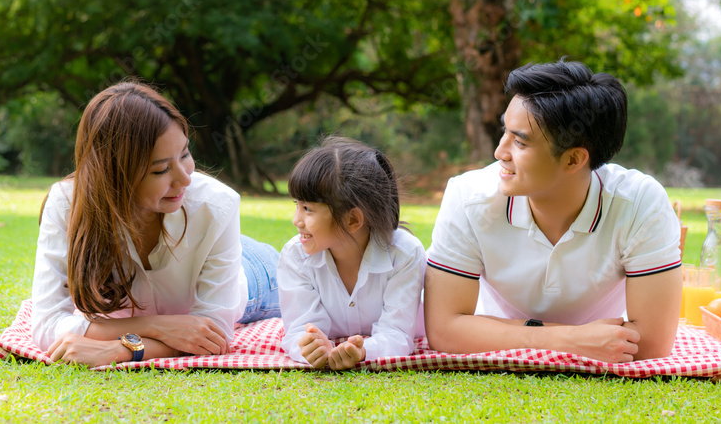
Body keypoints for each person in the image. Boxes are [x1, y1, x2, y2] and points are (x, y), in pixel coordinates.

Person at [424, 60, 682, 363]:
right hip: (584, 343)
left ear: (573, 160)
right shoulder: (468, 198)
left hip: (498, 339)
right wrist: (569, 339)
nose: (499, 152)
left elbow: (651, 343)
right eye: (504, 131)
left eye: (519, 141)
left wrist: (501, 334)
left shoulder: (639, 203)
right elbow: (443, 331)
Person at [31, 81, 280, 367]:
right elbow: (47, 324)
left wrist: (120, 350)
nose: (186, 178)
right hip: (198, 266)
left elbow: (211, 335)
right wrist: (157, 327)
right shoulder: (66, 204)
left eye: (185, 154)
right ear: (113, 175)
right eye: (161, 169)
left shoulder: (216, 205)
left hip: (256, 275)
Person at [278, 137, 425, 370]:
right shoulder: (296, 256)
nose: (296, 220)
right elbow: (298, 329)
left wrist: (364, 351)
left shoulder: (404, 254)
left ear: (353, 220)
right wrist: (308, 347)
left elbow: (397, 334)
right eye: (296, 205)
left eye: (308, 209)